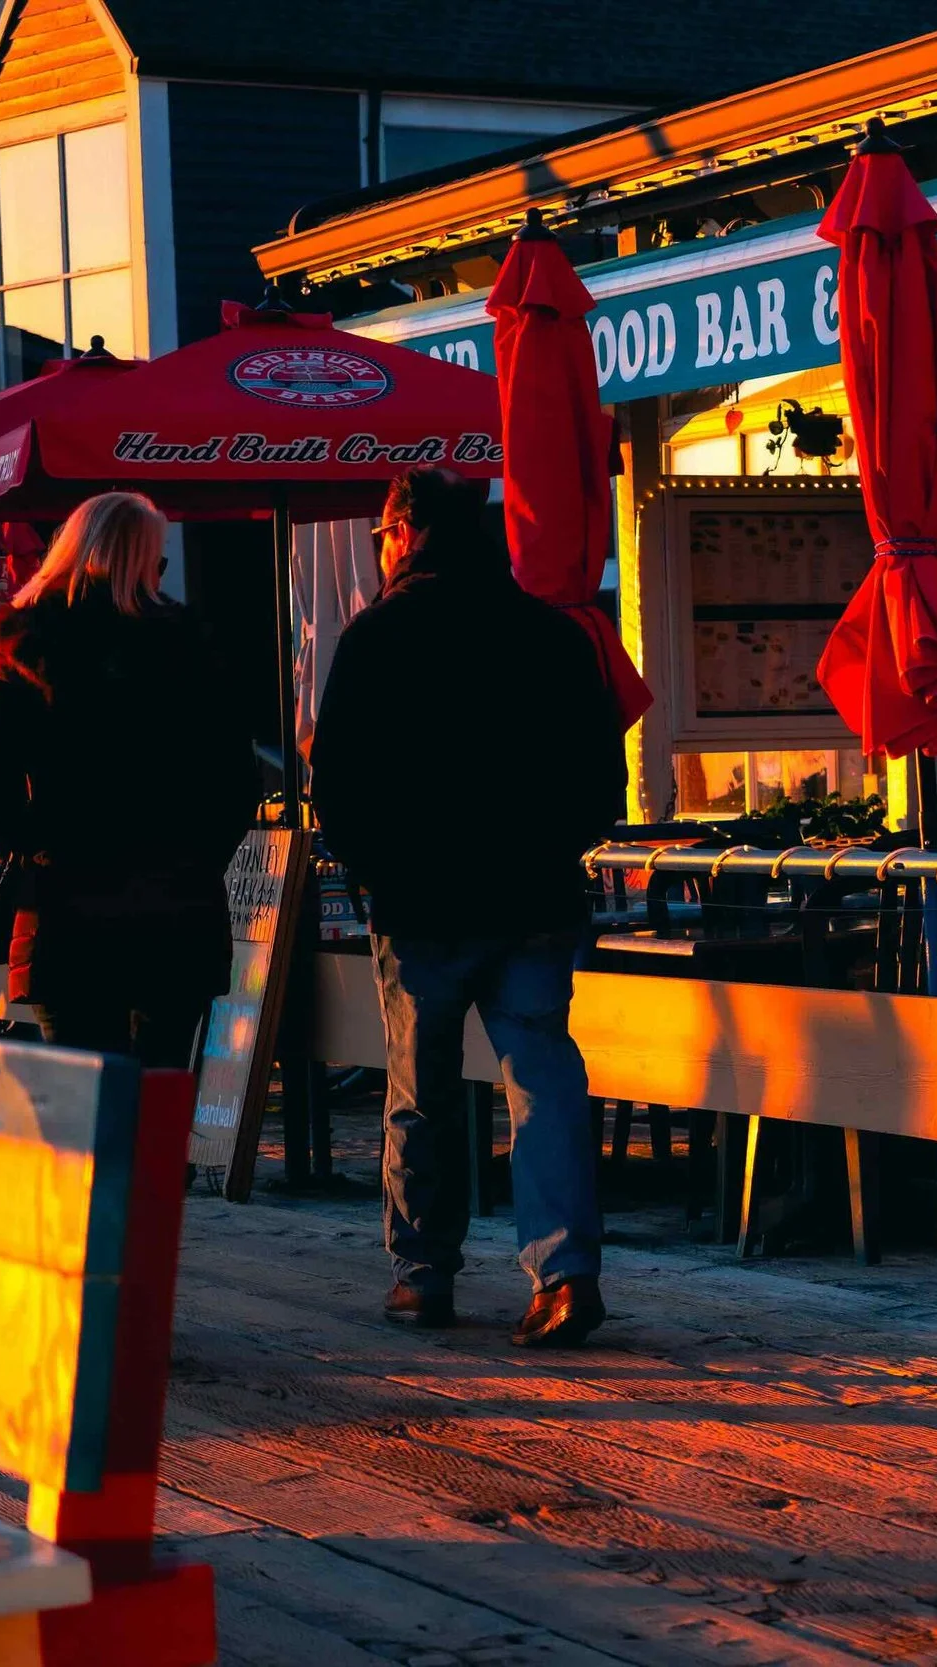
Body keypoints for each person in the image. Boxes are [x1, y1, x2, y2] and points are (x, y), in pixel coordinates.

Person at [311, 467, 625, 1348]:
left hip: (422, 903)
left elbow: (336, 781)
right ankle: (565, 1274)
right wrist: (546, 844)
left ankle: (422, 1274)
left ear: (404, 532)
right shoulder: (552, 635)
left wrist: (376, 870)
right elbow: (604, 779)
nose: (378, 548)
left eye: (381, 534)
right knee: (544, 1079)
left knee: (423, 1092)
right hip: (532, 897)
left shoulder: (377, 636)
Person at [0, 492, 257, 1066]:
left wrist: (34, 851)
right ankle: (156, 1162)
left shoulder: (27, 647)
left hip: (66, 916)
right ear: (142, 562)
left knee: (86, 1107)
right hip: (177, 914)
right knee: (160, 1097)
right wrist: (194, 862)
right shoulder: (190, 647)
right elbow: (235, 784)